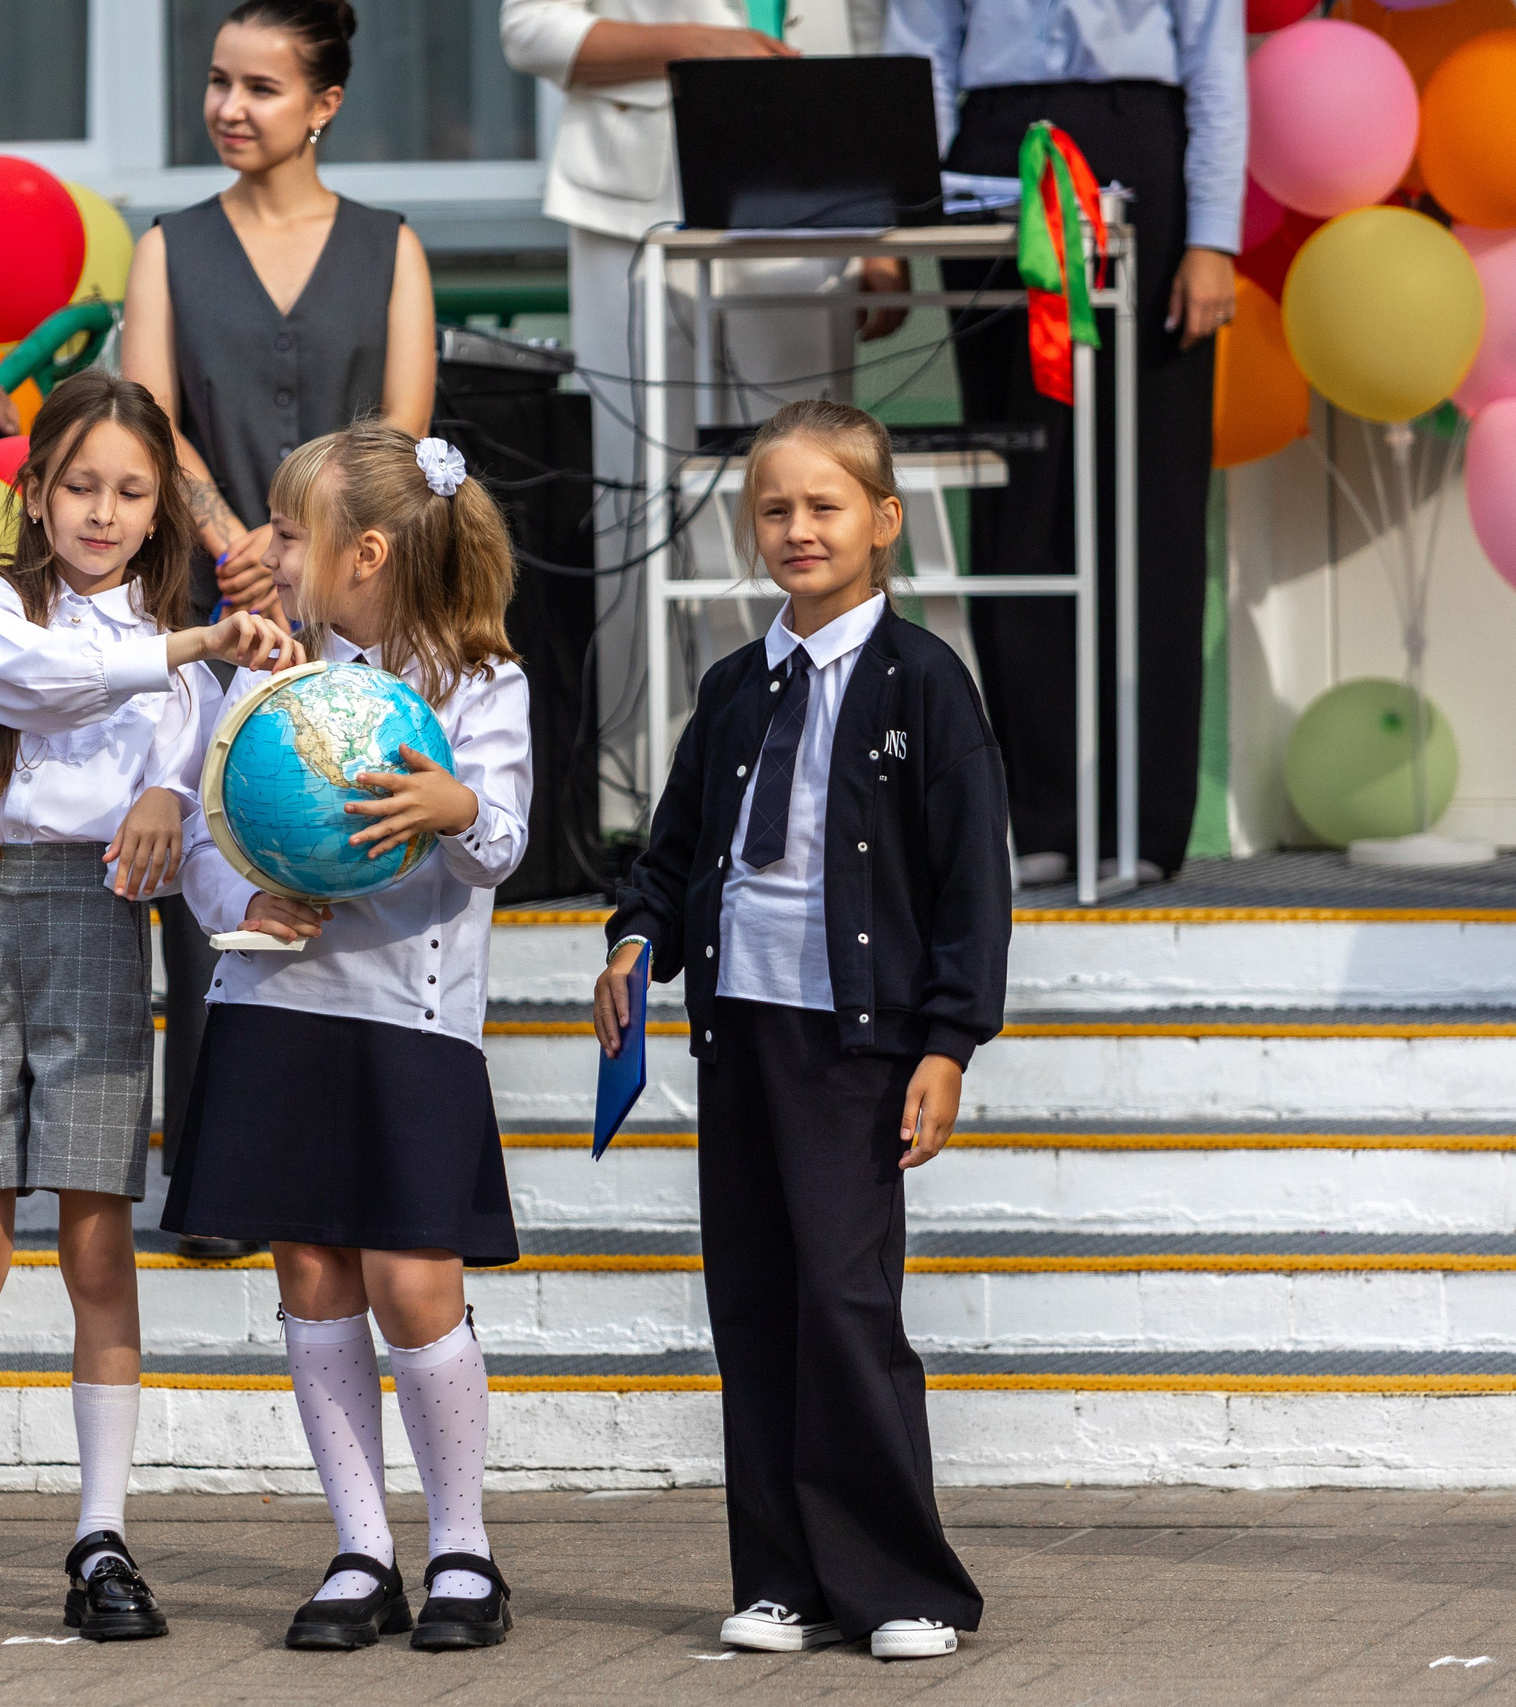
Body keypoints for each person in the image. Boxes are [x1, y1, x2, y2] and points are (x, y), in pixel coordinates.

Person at [0, 372, 305, 1649]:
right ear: (33, 489)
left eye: (132, 493)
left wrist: (185, 807)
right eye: (80, 486)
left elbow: (204, 805)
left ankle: (99, 1534)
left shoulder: (188, 674)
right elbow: (38, 682)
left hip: (99, 931)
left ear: (158, 512)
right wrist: (189, 649)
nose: (104, 512)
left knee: (93, 1247)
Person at [598, 400, 1005, 1658]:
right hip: (745, 1033)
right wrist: (633, 941)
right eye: (773, 508)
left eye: (825, 506)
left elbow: (970, 886)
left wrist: (946, 1043)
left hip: (858, 1043)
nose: (797, 529)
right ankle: (784, 1577)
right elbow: (670, 860)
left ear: (884, 523)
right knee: (757, 1302)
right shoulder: (732, 688)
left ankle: (904, 1588)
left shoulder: (925, 684)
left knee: (842, 1302)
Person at [162, 421, 533, 1653]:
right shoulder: (262, 675)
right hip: (278, 1009)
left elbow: (502, 843)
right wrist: (241, 901)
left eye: (285, 528)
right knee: (310, 1275)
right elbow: (211, 835)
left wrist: (456, 803)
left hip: (408, 1023)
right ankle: (359, 1549)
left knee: (412, 1281)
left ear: (363, 550)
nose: (263, 549)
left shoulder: (477, 680)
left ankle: (464, 1550)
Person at [120, 0, 437, 1255]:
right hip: (221, 605)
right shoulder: (170, 245)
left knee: (358, 858)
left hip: (365, 600)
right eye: (216, 82)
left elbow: (405, 434)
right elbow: (146, 413)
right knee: (224, 870)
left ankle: (359, 1164)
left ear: (325, 104)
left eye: (259, 86)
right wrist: (230, 543)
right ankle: (218, 1186)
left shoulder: (390, 245)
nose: (229, 107)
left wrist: (315, 555)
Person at [499, 0, 908, 824]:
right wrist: (701, 47)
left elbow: (872, 38)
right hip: (631, 204)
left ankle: (821, 773)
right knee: (636, 494)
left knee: (814, 493)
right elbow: (530, 31)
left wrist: (882, 220)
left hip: (812, 197)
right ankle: (638, 794)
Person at [886, 0, 1245, 884]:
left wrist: (1212, 236)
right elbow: (922, 59)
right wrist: (894, 226)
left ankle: (1144, 822)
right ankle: (1040, 812)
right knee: (1022, 489)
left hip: (1138, 145)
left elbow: (1214, 66)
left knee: (1150, 493)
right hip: (995, 151)